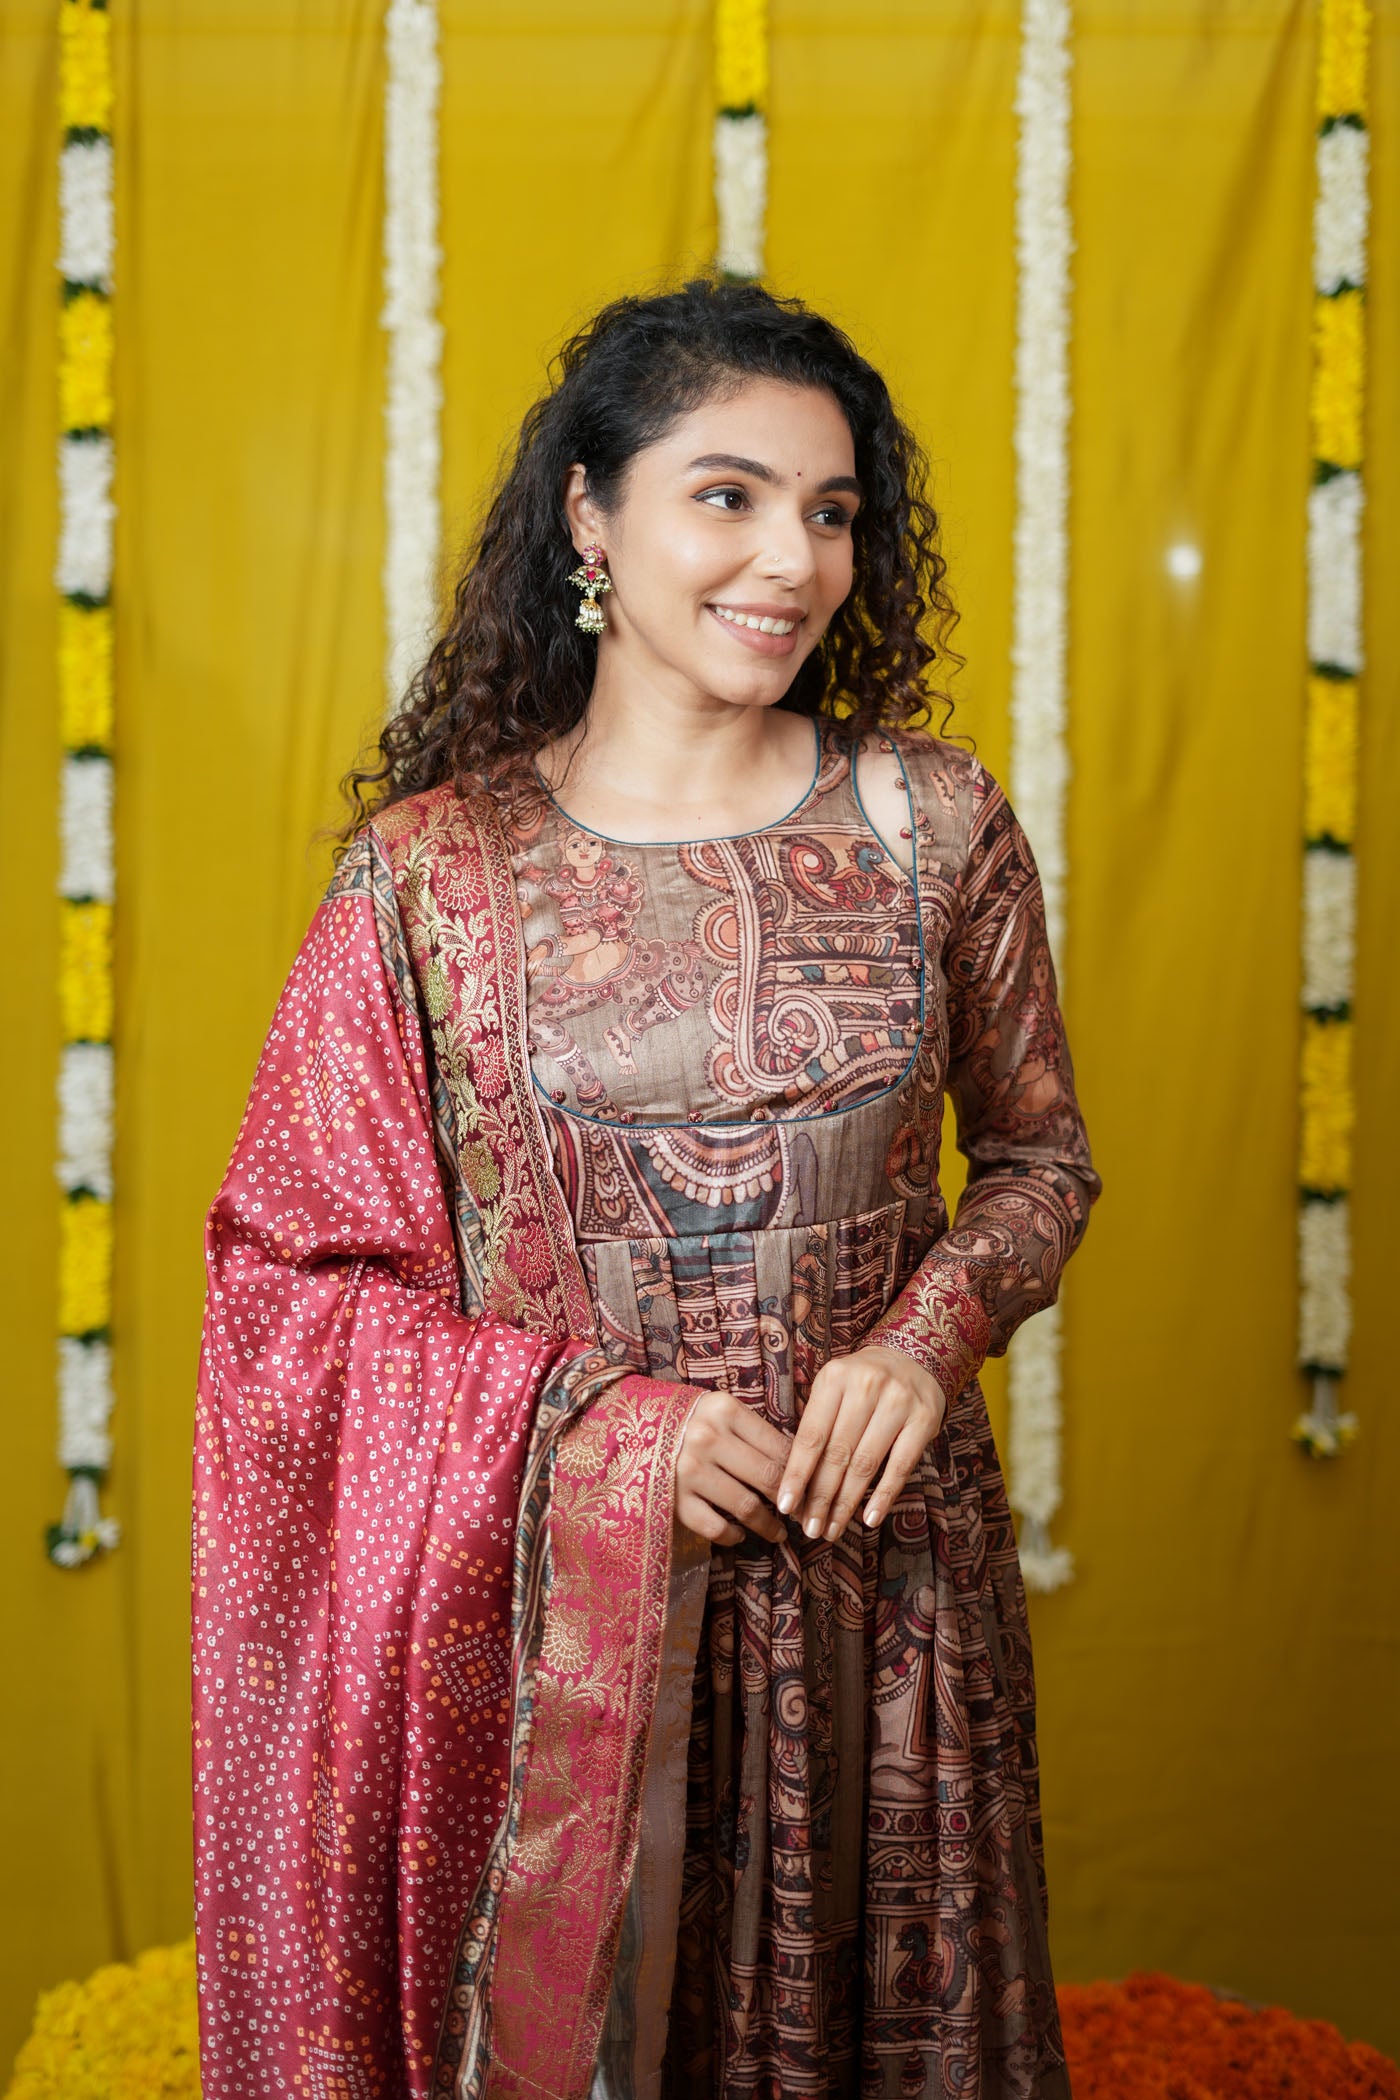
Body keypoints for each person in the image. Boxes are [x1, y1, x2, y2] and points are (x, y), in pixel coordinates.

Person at [191, 274, 1101, 2100]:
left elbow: (1038, 1160)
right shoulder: (428, 879)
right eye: (727, 496)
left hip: (884, 1610)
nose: (791, 560)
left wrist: (924, 1341)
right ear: (590, 519)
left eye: (831, 512)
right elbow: (286, 1289)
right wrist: (606, 1435)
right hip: (562, 1641)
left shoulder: (934, 823)